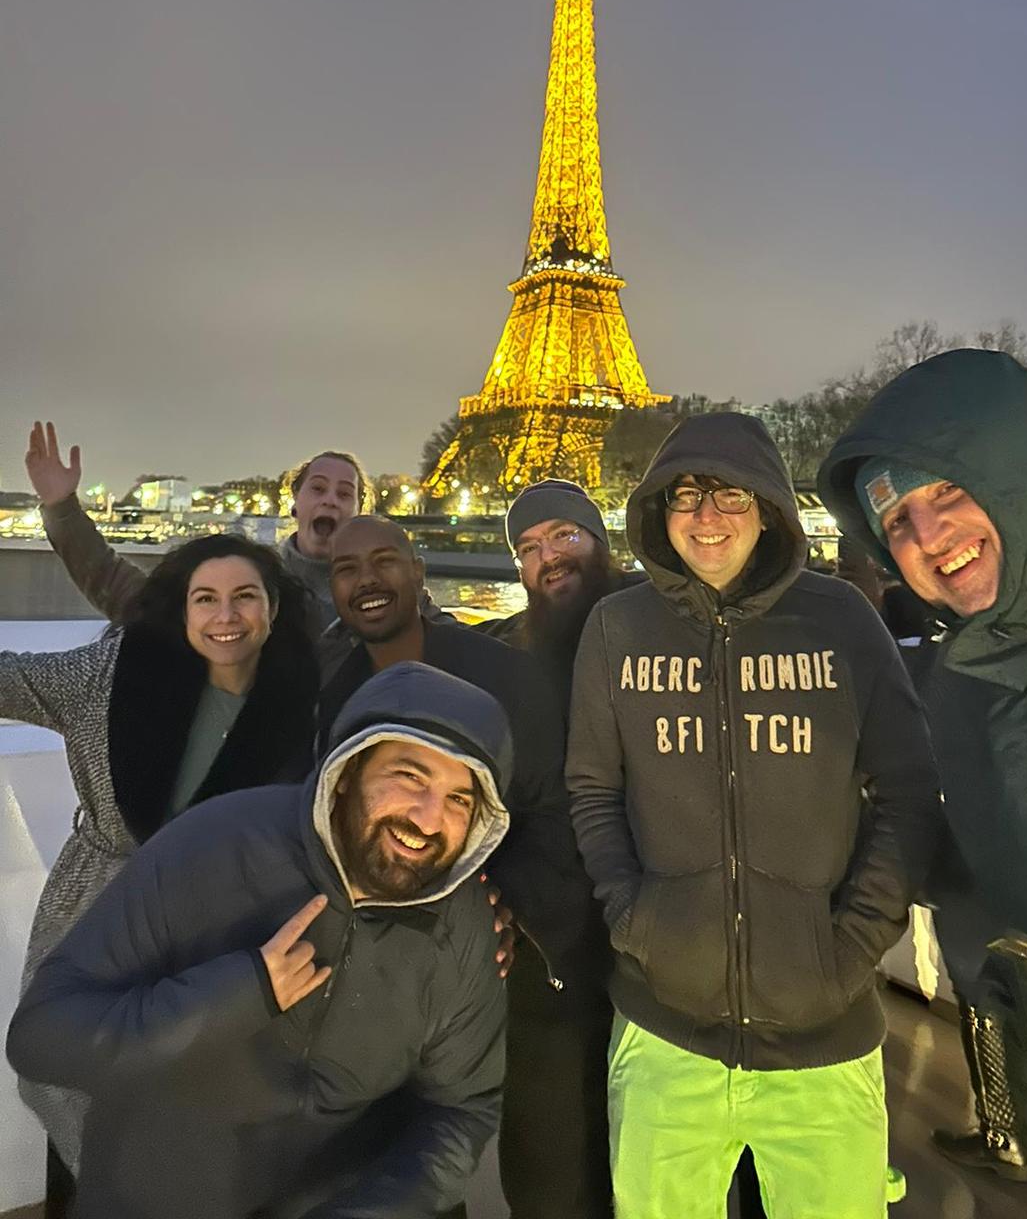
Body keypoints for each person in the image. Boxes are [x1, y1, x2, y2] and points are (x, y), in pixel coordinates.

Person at [567, 412, 940, 1219]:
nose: (706, 516)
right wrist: (638, 921)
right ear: (659, 512)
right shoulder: (616, 628)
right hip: (665, 1034)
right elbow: (592, 789)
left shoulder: (843, 622)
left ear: (768, 507)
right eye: (685, 495)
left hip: (827, 1040)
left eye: (729, 494)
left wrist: (849, 948)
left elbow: (910, 794)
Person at [7, 662, 509, 1219]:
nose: (428, 817)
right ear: (345, 771)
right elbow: (41, 1039)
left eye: (460, 800)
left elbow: (461, 1109)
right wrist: (237, 993)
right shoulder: (209, 847)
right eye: (410, 777)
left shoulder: (462, 926)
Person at [818, 347, 1027, 1214]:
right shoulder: (961, 677)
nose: (926, 538)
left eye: (947, 492)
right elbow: (966, 861)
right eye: (895, 523)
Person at [2, 532, 319, 1179]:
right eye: (205, 598)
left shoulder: (311, 697)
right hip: (100, 901)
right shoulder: (112, 673)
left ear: (274, 607)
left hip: (226, 929)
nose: (225, 616)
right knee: (76, 1075)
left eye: (244, 597)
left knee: (192, 1093)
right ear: (182, 608)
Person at [320, 514, 600, 1219]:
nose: (366, 580)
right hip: (399, 974)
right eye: (346, 569)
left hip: (530, 966)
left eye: (385, 560)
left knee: (549, 1172)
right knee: (416, 1161)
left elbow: (563, 809)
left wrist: (504, 905)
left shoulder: (503, 673)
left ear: (418, 574)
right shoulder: (335, 688)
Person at [26, 421, 362, 632]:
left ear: (359, 511)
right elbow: (132, 595)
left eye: (344, 493)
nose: (330, 500)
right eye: (318, 488)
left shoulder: (379, 593)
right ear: (295, 501)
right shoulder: (254, 576)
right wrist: (62, 509)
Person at [478, 479, 641, 717]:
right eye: (529, 549)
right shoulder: (508, 643)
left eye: (563, 535)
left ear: (599, 542)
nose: (548, 556)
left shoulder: (659, 608)